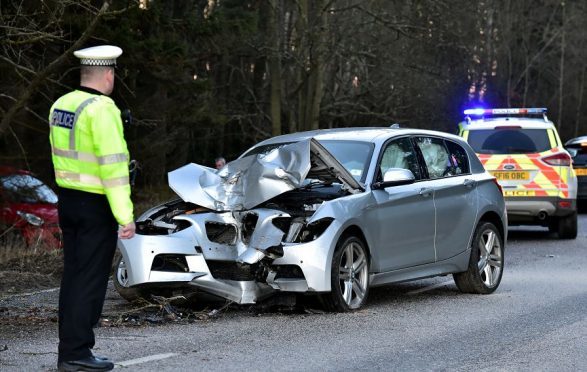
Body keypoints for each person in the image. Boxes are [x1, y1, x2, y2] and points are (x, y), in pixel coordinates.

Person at [48, 45, 135, 372]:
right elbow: (113, 169)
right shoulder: (102, 109)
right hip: (95, 205)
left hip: (68, 200)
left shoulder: (61, 105)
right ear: (108, 75)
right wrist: (124, 216)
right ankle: (77, 353)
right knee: (89, 281)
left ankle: (69, 350)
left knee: (73, 278)